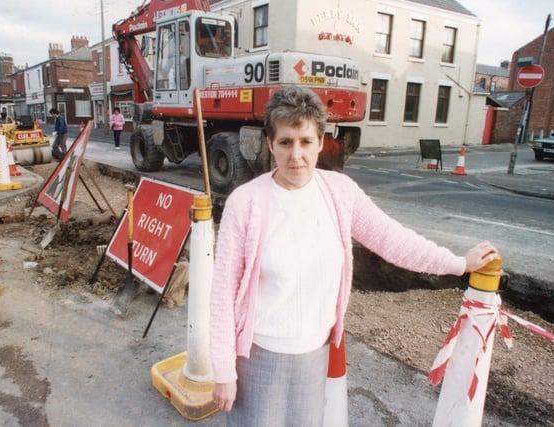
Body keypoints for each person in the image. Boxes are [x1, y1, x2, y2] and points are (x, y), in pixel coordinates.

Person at [210, 86, 500, 426]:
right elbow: (222, 294)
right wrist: (223, 371)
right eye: (286, 142)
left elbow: (393, 239)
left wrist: (458, 263)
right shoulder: (245, 203)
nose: (296, 155)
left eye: (305, 141)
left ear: (321, 141)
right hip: (257, 355)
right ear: (270, 143)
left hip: (314, 354)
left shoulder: (339, 193)